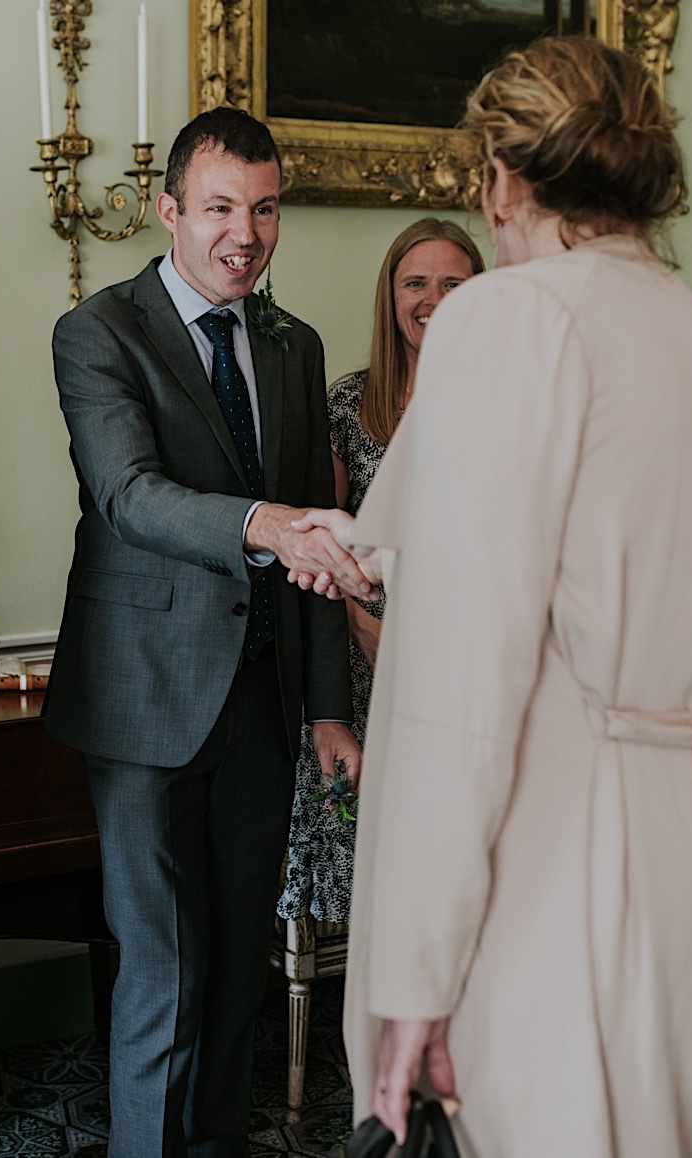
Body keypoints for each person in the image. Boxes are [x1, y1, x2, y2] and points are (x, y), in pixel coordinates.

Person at [316, 36, 692, 1155]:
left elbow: (461, 685)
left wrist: (415, 970)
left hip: (568, 861)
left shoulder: (506, 319)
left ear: (501, 179)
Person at [45, 107, 361, 1157]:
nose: (245, 233)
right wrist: (260, 523)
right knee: (162, 972)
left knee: (234, 973)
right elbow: (129, 494)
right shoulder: (96, 331)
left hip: (263, 711)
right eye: (221, 207)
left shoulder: (292, 342)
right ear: (170, 209)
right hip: (143, 701)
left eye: (265, 209)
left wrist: (323, 703)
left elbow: (311, 531)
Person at [277, 218, 484, 925]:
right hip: (365, 667)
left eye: (454, 283)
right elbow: (319, 548)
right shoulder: (347, 403)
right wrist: (361, 625)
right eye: (416, 282)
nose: (433, 297)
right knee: (371, 863)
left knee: (462, 861)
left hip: (470, 668)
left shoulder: (506, 403)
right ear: (390, 295)